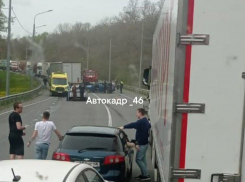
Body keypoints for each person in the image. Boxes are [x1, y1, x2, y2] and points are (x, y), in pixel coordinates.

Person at [118, 108, 151, 181]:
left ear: (140, 113)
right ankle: (144, 174)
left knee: (138, 160)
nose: (136, 114)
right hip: (145, 144)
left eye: (137, 113)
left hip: (142, 144)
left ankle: (146, 175)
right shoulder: (145, 121)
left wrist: (123, 127)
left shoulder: (141, 122)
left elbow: (133, 125)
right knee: (143, 159)